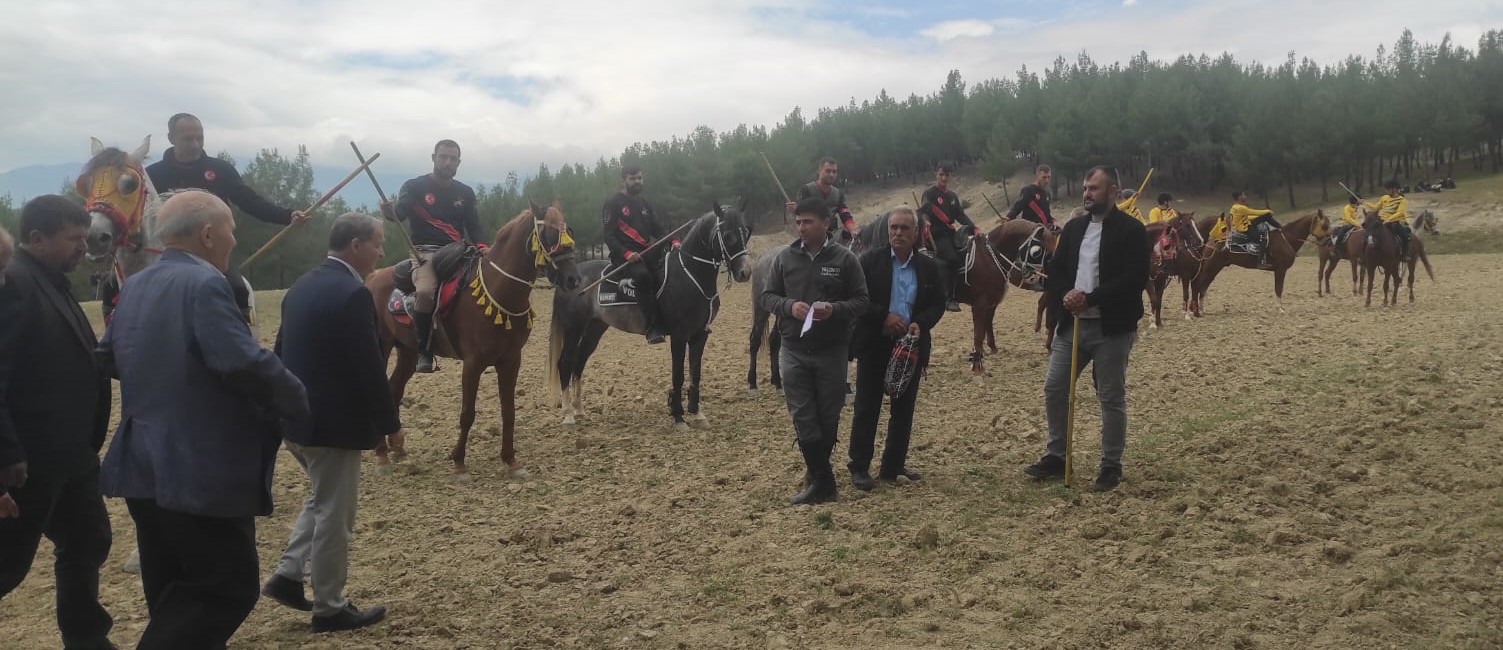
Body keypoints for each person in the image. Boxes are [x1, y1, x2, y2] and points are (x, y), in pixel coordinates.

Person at [98, 190, 309, 649]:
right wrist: (295, 398)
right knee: (227, 586)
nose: (234, 241)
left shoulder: (134, 286)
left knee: (170, 588)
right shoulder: (205, 283)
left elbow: (109, 358)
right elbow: (242, 361)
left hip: (141, 466)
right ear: (209, 234)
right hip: (197, 470)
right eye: (231, 230)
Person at [262, 213, 397, 633]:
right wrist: (389, 422)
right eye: (377, 243)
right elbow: (369, 365)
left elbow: (280, 350)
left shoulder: (301, 286)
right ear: (355, 245)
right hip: (332, 425)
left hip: (297, 422)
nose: (381, 252)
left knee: (320, 499)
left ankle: (287, 575)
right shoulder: (353, 294)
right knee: (336, 515)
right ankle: (330, 607)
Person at [0, 197, 116, 650]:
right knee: (7, 564)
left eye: (85, 239)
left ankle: (87, 638)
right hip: (30, 458)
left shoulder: (53, 280)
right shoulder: (14, 284)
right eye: (74, 240)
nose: (82, 249)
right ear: (36, 239)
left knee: (89, 539)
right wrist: (7, 453)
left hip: (72, 454)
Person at [1025, 166, 1149, 492]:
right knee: (1055, 388)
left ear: (1113, 191)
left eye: (1093, 188)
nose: (1086, 194)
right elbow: (1058, 268)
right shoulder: (1076, 227)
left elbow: (1133, 278)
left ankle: (1110, 465)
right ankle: (1056, 455)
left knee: (1110, 397)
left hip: (1113, 328)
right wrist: (1067, 294)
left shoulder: (1132, 231)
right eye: (1085, 188)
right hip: (1073, 326)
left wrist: (1091, 297)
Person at [144, 113, 309, 322]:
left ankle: (241, 335)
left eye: (199, 138)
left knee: (237, 289)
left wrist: (287, 216)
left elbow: (250, 202)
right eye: (188, 139)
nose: (195, 145)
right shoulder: (151, 176)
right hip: (166, 253)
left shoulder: (220, 170)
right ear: (171, 138)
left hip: (212, 251)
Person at [759, 197, 869, 504]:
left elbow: (862, 301)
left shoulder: (845, 260)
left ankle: (817, 474)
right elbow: (767, 297)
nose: (801, 227)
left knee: (828, 414)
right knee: (802, 413)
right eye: (798, 222)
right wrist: (788, 306)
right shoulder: (784, 259)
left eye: (807, 222)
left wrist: (833, 310)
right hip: (793, 348)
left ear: (825, 223)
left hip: (831, 350)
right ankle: (823, 480)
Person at [847, 206, 945, 490]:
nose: (898, 233)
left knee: (904, 408)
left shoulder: (928, 267)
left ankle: (893, 465)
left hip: (910, 346)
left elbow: (937, 303)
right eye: (894, 228)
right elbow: (858, 300)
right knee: (867, 406)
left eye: (904, 228)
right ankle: (859, 467)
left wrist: (920, 323)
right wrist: (883, 317)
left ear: (916, 233)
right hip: (874, 343)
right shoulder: (869, 261)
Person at [386, 139, 487, 372]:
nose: (447, 162)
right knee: (424, 292)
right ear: (434, 158)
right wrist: (389, 212)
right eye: (443, 157)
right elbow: (399, 213)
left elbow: (474, 226)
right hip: (425, 253)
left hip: (459, 251)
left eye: (453, 158)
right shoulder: (414, 186)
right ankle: (424, 350)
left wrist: (483, 246)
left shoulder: (465, 192)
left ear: (458, 163)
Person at [603, 164, 677, 344]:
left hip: (647, 253)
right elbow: (609, 236)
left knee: (669, 274)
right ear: (624, 180)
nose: (637, 181)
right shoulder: (613, 204)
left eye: (639, 178)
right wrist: (627, 253)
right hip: (624, 257)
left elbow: (658, 228)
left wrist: (674, 240)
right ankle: (652, 326)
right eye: (632, 178)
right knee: (643, 277)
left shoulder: (645, 204)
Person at [919, 161, 980, 312]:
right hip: (936, 234)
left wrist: (974, 228)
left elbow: (960, 215)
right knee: (952, 259)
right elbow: (924, 210)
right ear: (936, 174)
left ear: (951, 176)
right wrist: (925, 221)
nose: (944, 178)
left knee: (968, 252)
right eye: (941, 174)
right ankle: (949, 298)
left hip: (950, 233)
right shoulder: (929, 193)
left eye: (947, 175)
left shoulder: (952, 196)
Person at [788, 157, 860, 243]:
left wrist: (853, 230)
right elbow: (801, 215)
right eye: (828, 171)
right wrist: (795, 211)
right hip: (811, 234)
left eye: (834, 172)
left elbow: (845, 214)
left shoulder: (838, 194)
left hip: (833, 234)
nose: (831, 174)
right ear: (819, 171)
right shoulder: (805, 190)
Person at [1228, 191, 1280, 267]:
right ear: (1239, 197)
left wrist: (1261, 217)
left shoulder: (1234, 207)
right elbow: (1254, 212)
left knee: (1266, 216)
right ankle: (1260, 262)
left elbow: (1247, 217)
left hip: (1246, 224)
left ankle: (1279, 227)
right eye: (1243, 195)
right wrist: (1268, 211)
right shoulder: (1240, 208)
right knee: (1263, 238)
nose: (1245, 196)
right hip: (1245, 229)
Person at [1365, 180, 1412, 257]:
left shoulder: (1402, 200)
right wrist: (1365, 202)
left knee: (1404, 236)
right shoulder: (1384, 198)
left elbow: (1399, 213)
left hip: (1394, 221)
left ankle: (1404, 254)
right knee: (1367, 231)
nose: (1386, 191)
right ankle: (1363, 255)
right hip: (1381, 220)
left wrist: (1388, 220)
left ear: (1394, 189)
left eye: (1388, 189)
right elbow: (1376, 208)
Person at [1006, 164, 1055, 228]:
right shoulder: (1028, 190)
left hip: (1044, 229)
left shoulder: (1047, 193)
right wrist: (1009, 217)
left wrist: (1053, 221)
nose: (1047, 180)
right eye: (1044, 177)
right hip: (1030, 230)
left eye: (1049, 177)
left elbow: (1046, 214)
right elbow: (1017, 207)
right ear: (1037, 176)